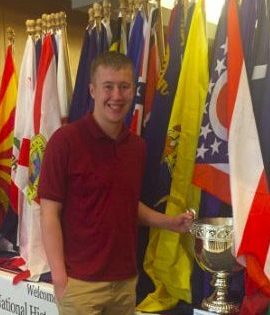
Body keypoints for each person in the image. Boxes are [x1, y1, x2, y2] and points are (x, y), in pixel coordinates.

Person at [38, 51, 193, 315]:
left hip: (124, 284)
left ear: (134, 90)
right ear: (92, 90)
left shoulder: (137, 147)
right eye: (108, 87)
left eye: (124, 87)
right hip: (81, 286)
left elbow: (125, 205)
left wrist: (169, 223)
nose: (116, 96)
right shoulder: (65, 142)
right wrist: (60, 278)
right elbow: (49, 213)